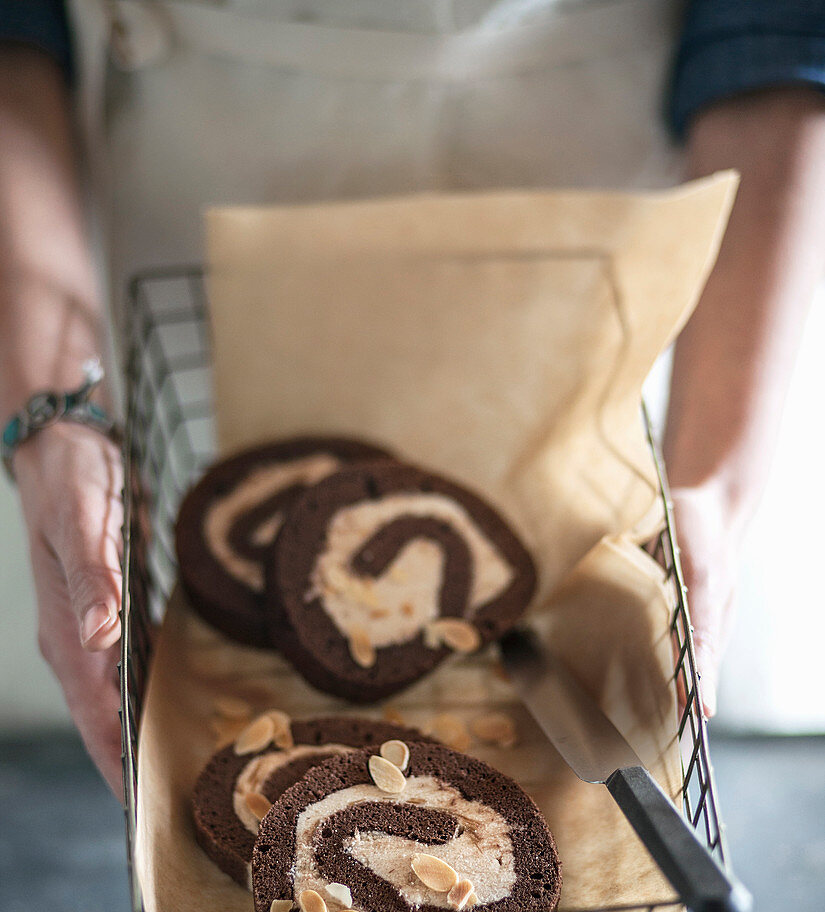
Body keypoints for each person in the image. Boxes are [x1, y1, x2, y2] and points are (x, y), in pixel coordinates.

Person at [2, 1, 825, 798]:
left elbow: (776, 33)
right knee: (180, 662)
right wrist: (50, 414)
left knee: (626, 669)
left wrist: (708, 484)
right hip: (196, 198)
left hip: (597, 211)